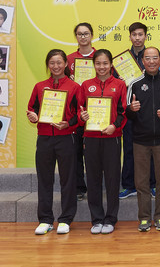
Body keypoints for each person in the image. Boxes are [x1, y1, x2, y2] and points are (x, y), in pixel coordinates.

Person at [27, 49, 80, 235]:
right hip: (44, 138)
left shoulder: (74, 87)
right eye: (52, 63)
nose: (56, 66)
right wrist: (33, 117)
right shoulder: (40, 86)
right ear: (48, 65)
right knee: (44, 179)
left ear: (66, 64)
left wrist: (68, 124)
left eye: (59, 62)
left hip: (66, 138)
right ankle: (45, 219)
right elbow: (31, 109)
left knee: (68, 179)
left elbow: (80, 115)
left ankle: (66, 219)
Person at [126, 47, 160, 232]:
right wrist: (131, 109)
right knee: (141, 182)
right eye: (147, 58)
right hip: (140, 140)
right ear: (142, 61)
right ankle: (144, 218)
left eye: (154, 58)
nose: (151, 61)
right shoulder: (134, 83)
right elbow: (126, 112)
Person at [78, 49, 127, 235]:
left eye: (105, 63)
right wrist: (82, 117)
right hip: (90, 138)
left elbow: (123, 111)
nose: (102, 67)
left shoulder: (120, 84)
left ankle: (111, 218)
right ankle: (97, 219)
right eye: (98, 63)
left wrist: (115, 126)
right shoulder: (86, 85)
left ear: (111, 64)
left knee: (113, 179)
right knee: (93, 178)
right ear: (94, 65)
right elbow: (80, 111)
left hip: (112, 138)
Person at [119, 22, 160, 200]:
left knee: (153, 151)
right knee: (129, 149)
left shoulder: (153, 56)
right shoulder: (122, 60)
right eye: (134, 35)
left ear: (145, 36)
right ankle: (129, 185)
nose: (137, 38)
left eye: (140, 34)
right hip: (131, 113)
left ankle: (152, 185)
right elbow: (116, 83)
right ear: (130, 36)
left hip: (152, 113)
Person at [66, 22, 96, 201]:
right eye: (79, 34)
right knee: (76, 151)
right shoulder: (69, 59)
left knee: (94, 153)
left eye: (86, 33)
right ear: (75, 36)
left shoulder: (100, 56)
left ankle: (96, 186)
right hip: (76, 112)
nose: (83, 37)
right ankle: (79, 187)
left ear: (92, 35)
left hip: (98, 111)